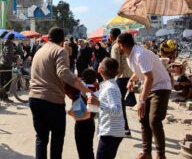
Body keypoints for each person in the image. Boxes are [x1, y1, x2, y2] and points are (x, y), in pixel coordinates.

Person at [29, 27, 90, 159]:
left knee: (41, 138)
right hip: (52, 101)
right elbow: (63, 73)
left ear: (48, 38)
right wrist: (83, 88)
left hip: (34, 98)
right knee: (57, 138)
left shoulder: (39, 51)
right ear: (62, 40)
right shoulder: (60, 51)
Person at [117, 33, 172, 159]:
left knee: (154, 120)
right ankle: (146, 153)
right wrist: (132, 79)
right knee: (143, 119)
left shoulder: (140, 54)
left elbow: (149, 77)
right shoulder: (129, 55)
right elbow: (140, 72)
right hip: (149, 87)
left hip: (161, 87)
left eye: (117, 46)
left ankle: (161, 155)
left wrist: (141, 101)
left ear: (121, 45)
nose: (117, 48)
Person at [87, 58, 125, 159]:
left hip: (111, 133)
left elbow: (117, 110)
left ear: (100, 70)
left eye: (100, 64)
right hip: (110, 132)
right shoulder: (107, 85)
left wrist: (99, 103)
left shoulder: (110, 88)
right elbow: (97, 96)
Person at [110, 28, 133, 137]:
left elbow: (115, 65)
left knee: (119, 104)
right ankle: (122, 127)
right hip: (130, 76)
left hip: (121, 78)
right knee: (120, 103)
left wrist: (112, 79)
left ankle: (125, 128)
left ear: (111, 36)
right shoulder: (127, 45)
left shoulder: (116, 46)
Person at [74, 69, 98, 159]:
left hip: (80, 122)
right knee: (89, 148)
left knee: (81, 149)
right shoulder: (96, 89)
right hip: (90, 122)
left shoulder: (79, 89)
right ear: (95, 79)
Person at [0, 33, 17, 102]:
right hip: (7, 65)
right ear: (13, 39)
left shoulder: (4, 44)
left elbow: (5, 54)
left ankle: (1, 96)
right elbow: (8, 55)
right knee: (8, 81)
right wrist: (15, 60)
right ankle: (5, 97)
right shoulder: (10, 45)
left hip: (2, 63)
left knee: (2, 81)